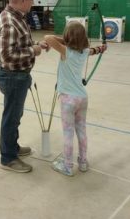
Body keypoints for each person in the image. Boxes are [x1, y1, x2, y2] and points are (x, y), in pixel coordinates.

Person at [0, 0, 48, 173]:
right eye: (31, 0)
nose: (32, 3)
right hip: (13, 77)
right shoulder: (9, 21)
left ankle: (12, 147)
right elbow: (6, 56)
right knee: (11, 117)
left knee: (15, 116)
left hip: (18, 76)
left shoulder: (17, 17)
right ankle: (8, 158)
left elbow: (20, 42)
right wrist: (34, 51)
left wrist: (35, 44)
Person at [44, 22, 107, 176]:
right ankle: (83, 163)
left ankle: (67, 166)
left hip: (68, 100)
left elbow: (48, 37)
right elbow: (93, 51)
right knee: (81, 131)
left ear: (68, 37)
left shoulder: (65, 50)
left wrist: (66, 40)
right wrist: (101, 48)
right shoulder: (84, 51)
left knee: (68, 134)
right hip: (82, 98)